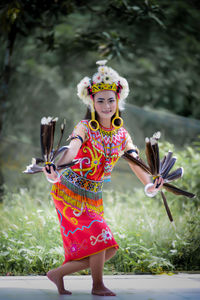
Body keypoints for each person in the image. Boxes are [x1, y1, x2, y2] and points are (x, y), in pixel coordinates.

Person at [43, 60, 163, 296]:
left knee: (107, 250)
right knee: (101, 236)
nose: (106, 105)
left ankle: (57, 274)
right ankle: (97, 286)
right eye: (101, 100)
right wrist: (56, 169)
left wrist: (150, 184)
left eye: (111, 100)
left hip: (94, 196)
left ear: (118, 101)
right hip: (69, 192)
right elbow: (72, 150)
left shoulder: (121, 134)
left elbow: (135, 162)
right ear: (92, 102)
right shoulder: (85, 127)